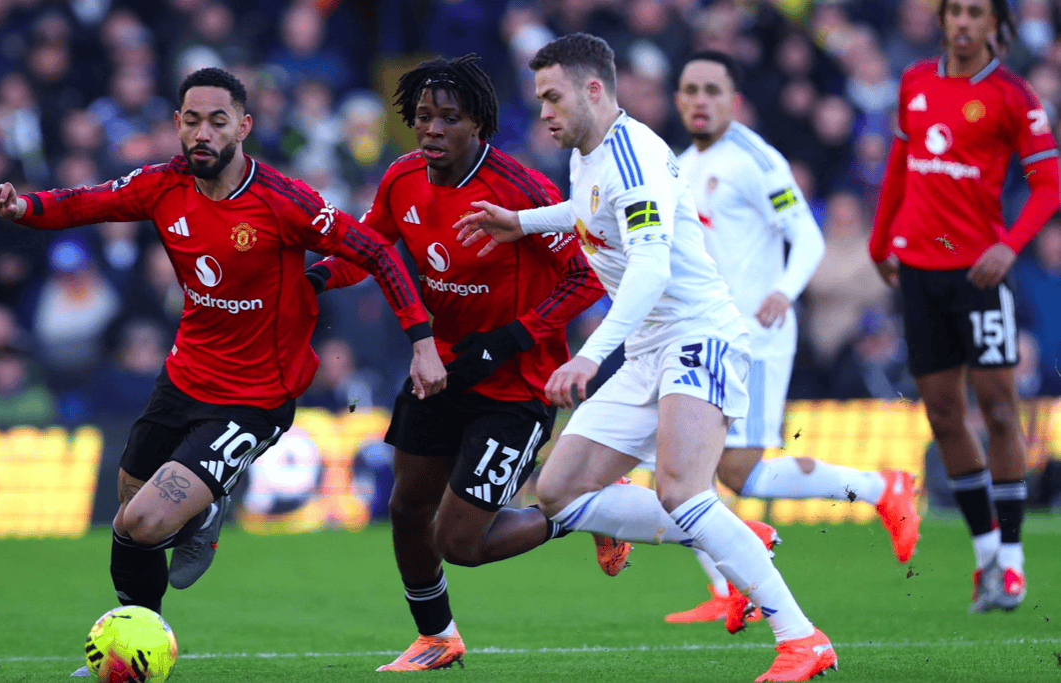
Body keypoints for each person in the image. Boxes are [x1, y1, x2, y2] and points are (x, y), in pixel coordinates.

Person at [0, 67, 446, 675]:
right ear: (177, 124)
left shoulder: (283, 200)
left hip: (255, 396)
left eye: (217, 121)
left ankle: (198, 520)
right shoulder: (163, 184)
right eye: (192, 120)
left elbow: (377, 251)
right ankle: (136, 646)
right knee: (128, 513)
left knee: (143, 521)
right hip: (184, 378)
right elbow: (86, 203)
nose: (203, 133)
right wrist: (21, 206)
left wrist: (421, 341)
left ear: (243, 127)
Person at [456, 34, 836, 682]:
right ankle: (727, 532)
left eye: (553, 97)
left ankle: (802, 638)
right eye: (540, 98)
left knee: (682, 491)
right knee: (559, 493)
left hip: (698, 337)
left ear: (593, 90)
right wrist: (524, 222)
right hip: (648, 349)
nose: (543, 111)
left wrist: (589, 358)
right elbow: (590, 211)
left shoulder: (632, 157)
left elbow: (651, 268)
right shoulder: (590, 154)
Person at [306, 54, 607, 672]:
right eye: (422, 116)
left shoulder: (522, 191)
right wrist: (312, 279)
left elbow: (587, 277)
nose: (432, 129)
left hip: (514, 384)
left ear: (478, 124)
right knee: (407, 509)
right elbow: (367, 253)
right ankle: (437, 636)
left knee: (460, 542)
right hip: (440, 370)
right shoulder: (400, 180)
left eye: (448, 117)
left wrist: (513, 338)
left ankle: (586, 510)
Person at [664, 51, 921, 625]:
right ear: (678, 100)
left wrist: (783, 291)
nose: (700, 100)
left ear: (735, 100)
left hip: (757, 335)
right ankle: (729, 585)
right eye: (690, 89)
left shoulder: (757, 160)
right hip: (706, 333)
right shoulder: (681, 165)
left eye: (712, 89)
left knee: (735, 474)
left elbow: (807, 235)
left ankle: (881, 489)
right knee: (686, 466)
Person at [869, 0, 1060, 613]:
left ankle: (1014, 559)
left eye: (975, 13)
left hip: (977, 271)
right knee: (945, 416)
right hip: (919, 272)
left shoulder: (1012, 95)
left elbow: (1049, 184)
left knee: (1000, 411)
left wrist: (1009, 247)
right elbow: (900, 164)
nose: (962, 23)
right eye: (955, 11)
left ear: (993, 25)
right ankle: (986, 557)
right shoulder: (915, 81)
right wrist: (880, 240)